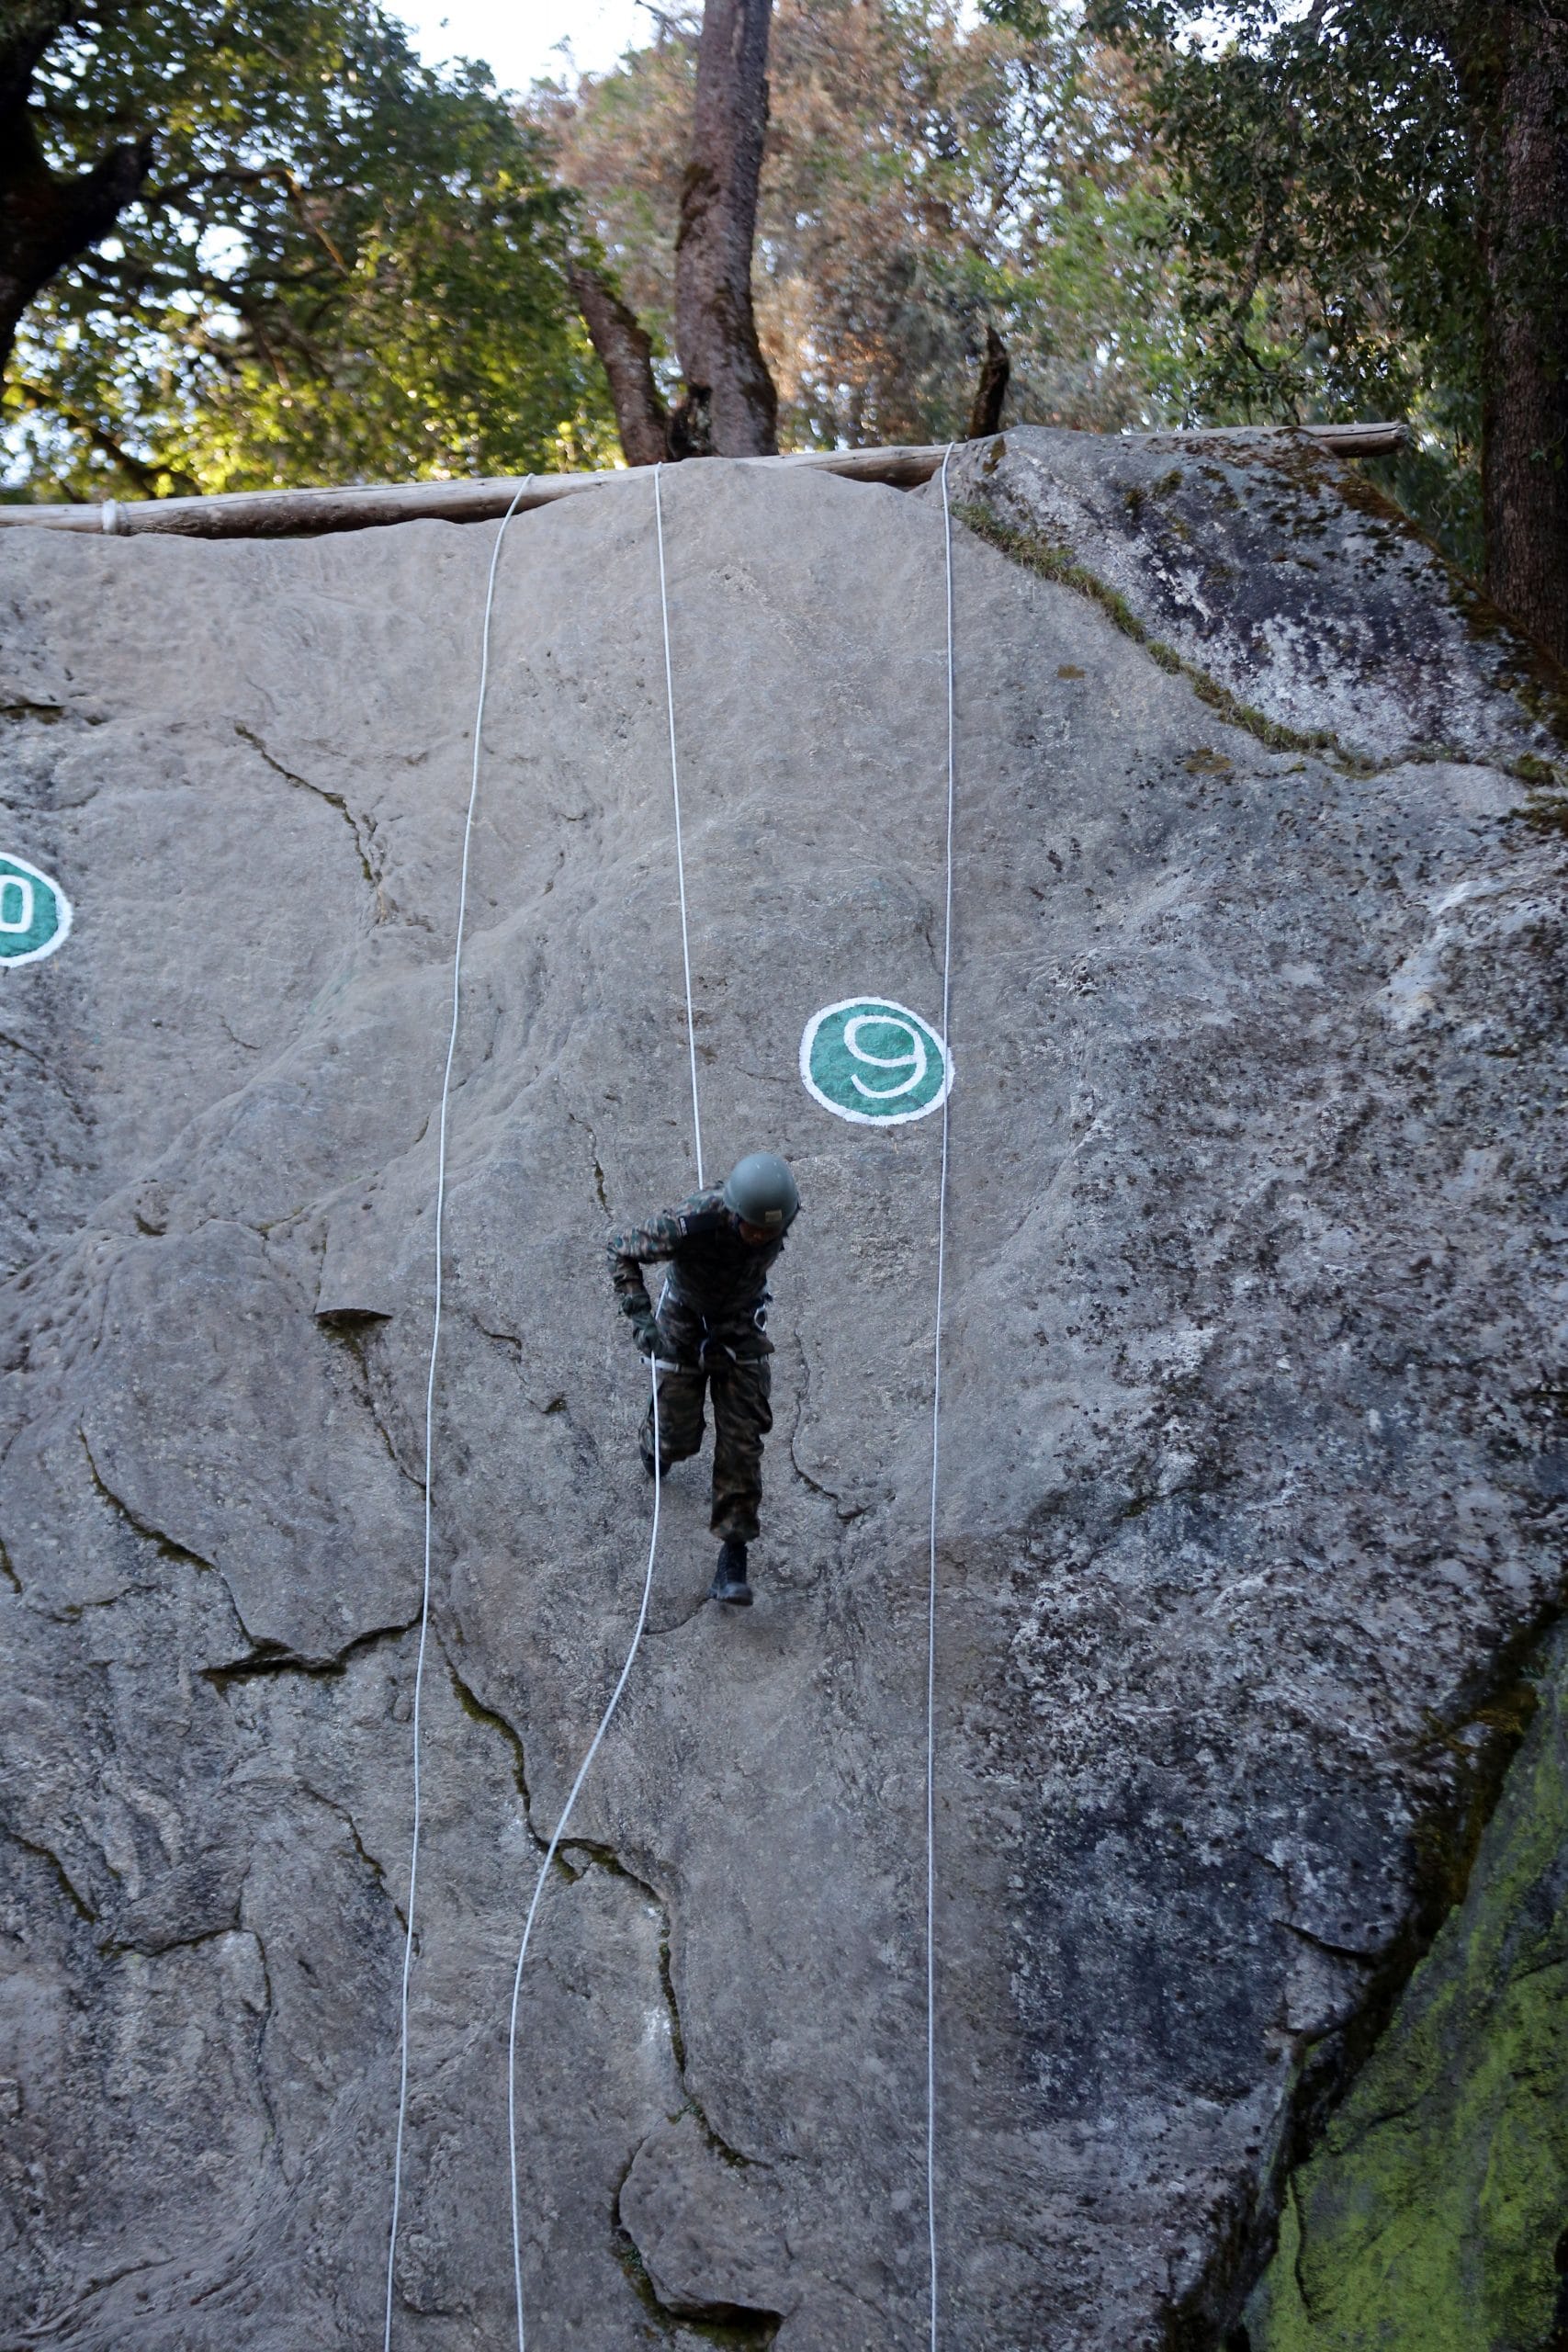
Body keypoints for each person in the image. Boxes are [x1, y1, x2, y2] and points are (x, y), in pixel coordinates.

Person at [606, 1151, 800, 1607]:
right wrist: (641, 1319)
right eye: (752, 1228)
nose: (759, 1238)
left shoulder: (780, 1210)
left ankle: (733, 1558)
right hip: (684, 1319)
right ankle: (658, 1440)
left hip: (739, 1324)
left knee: (743, 1441)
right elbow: (620, 1249)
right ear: (734, 1214)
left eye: (769, 1233)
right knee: (678, 1440)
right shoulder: (690, 1223)